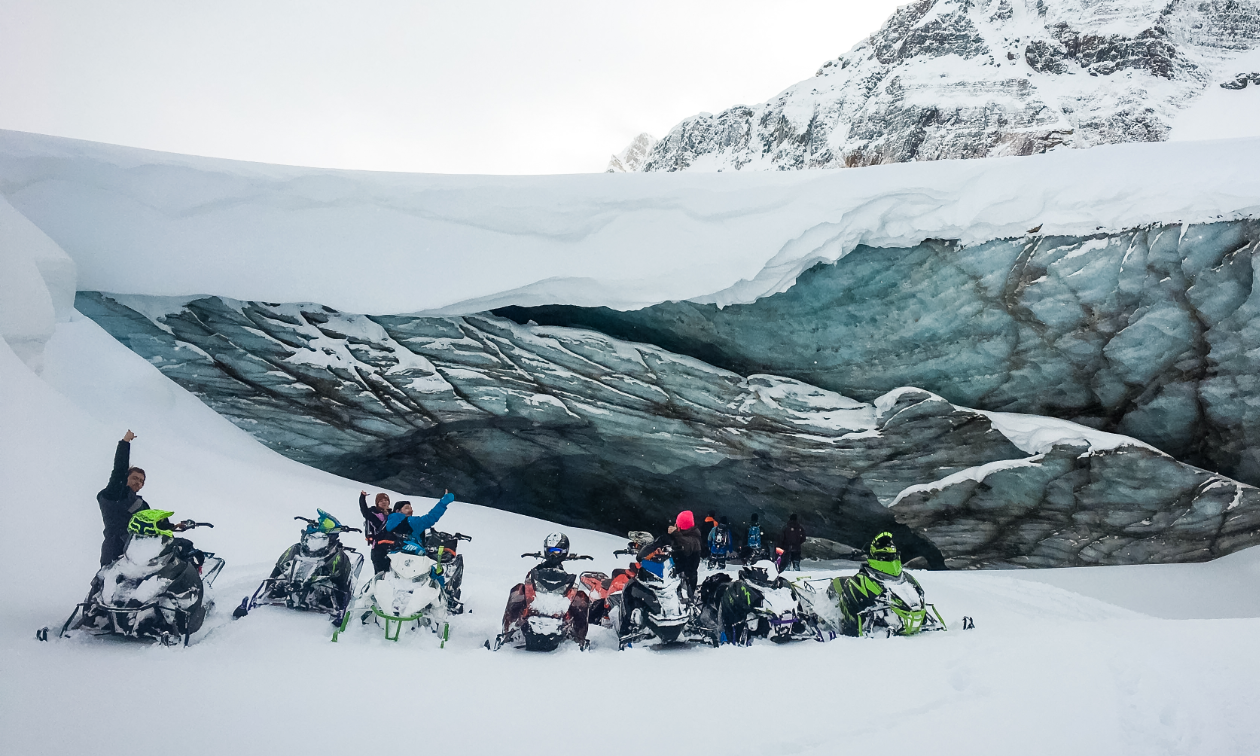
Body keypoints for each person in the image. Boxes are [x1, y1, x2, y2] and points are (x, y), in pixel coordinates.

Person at [96, 430, 185, 566]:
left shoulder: (141, 504)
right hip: (115, 550)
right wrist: (125, 443)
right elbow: (119, 470)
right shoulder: (114, 494)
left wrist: (173, 526)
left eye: (141, 481)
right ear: (126, 478)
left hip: (139, 552)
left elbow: (152, 523)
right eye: (135, 478)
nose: (138, 482)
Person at [831, 532, 927, 637]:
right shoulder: (864, 576)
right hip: (875, 573)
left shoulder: (900, 570)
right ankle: (849, 624)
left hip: (890, 575)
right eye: (885, 556)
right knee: (854, 586)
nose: (889, 558)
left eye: (892, 556)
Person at [383, 491, 455, 554]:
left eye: (411, 508)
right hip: (410, 558)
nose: (411, 510)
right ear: (398, 511)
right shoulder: (410, 521)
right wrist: (443, 503)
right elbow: (429, 519)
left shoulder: (389, 522)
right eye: (407, 508)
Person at [358, 490, 393, 575]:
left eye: (385, 500)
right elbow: (364, 511)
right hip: (378, 548)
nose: (384, 502)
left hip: (392, 547)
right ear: (377, 503)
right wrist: (362, 498)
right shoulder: (373, 514)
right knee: (380, 574)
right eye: (381, 501)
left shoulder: (393, 515)